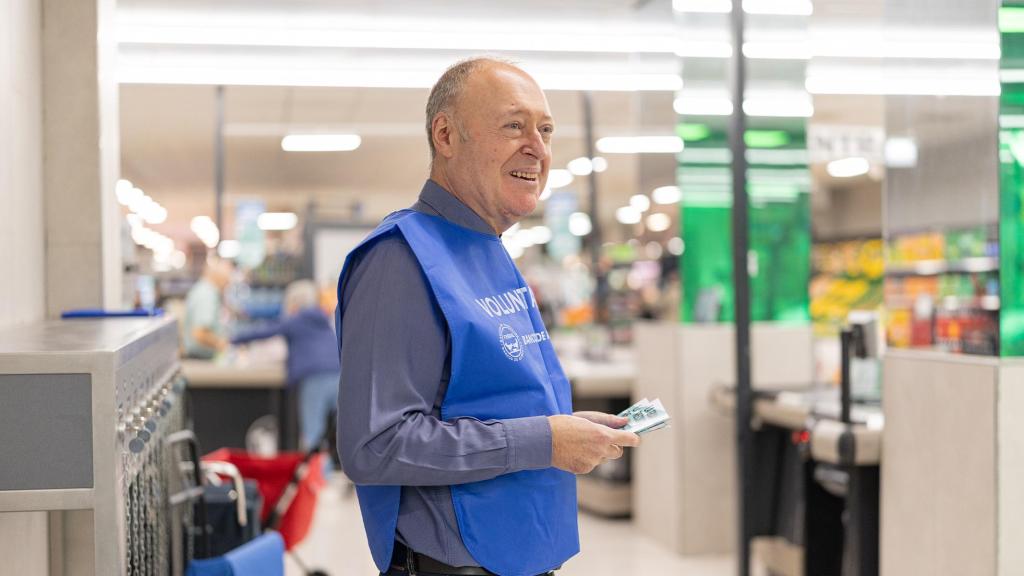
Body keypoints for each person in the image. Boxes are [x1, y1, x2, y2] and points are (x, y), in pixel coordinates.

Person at [335, 57, 640, 576]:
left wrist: (562, 426)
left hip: (522, 550)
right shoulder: (400, 260)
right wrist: (544, 440)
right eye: (514, 125)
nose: (538, 148)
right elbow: (376, 444)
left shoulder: (488, 249)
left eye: (545, 130)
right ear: (446, 134)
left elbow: (489, 396)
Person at [231, 280, 340, 452]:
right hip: (338, 375)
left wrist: (232, 339)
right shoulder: (322, 320)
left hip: (314, 378)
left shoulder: (297, 320)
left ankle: (316, 476)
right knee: (337, 430)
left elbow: (265, 331)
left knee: (313, 433)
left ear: (294, 303)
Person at [183, 256, 233, 359]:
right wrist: (222, 344)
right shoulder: (207, 295)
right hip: (199, 360)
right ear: (218, 276)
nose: (227, 285)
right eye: (226, 280)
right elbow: (200, 333)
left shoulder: (204, 290)